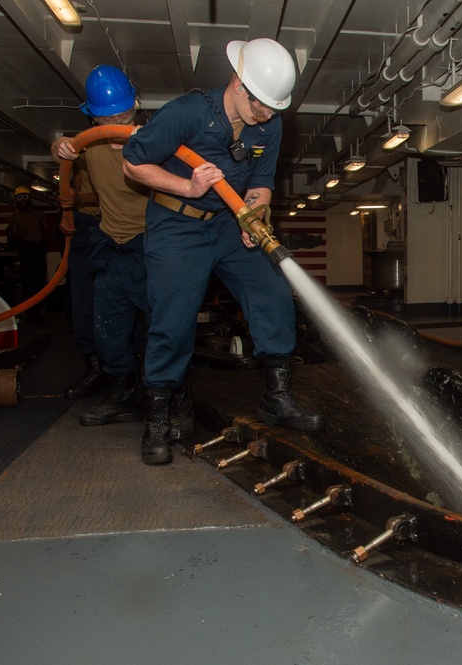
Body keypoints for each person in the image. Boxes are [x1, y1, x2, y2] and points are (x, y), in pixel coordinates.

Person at [122, 38, 323, 466]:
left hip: (230, 226)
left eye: (274, 108)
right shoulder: (185, 113)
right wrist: (187, 186)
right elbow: (133, 162)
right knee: (173, 321)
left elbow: (262, 178)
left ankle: (277, 397)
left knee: (272, 291)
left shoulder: (270, 124)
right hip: (177, 225)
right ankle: (157, 420)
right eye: (261, 106)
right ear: (238, 83)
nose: (266, 116)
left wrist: (256, 213)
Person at [53, 65, 152, 429]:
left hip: (151, 243)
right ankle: (120, 392)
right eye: (107, 118)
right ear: (93, 115)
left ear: (135, 107)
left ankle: (158, 395)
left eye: (123, 116)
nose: (115, 125)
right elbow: (60, 151)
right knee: (108, 327)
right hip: (110, 242)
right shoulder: (88, 143)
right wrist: (59, 146)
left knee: (160, 325)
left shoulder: (152, 138)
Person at [61, 158, 105, 399]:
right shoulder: (80, 157)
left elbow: (114, 194)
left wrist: (77, 199)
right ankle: (95, 370)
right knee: (83, 306)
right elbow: (73, 190)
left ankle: (127, 374)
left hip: (115, 230)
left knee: (125, 304)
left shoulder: (127, 149)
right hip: (84, 232)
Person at [6, 186, 53, 323]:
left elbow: (47, 232)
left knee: (40, 282)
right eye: (19, 198)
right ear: (16, 200)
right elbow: (13, 237)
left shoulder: (38, 214)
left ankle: (38, 311)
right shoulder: (14, 217)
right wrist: (21, 232)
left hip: (38, 249)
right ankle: (30, 312)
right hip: (26, 250)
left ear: (30, 199)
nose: (22, 201)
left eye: (25, 197)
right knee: (28, 283)